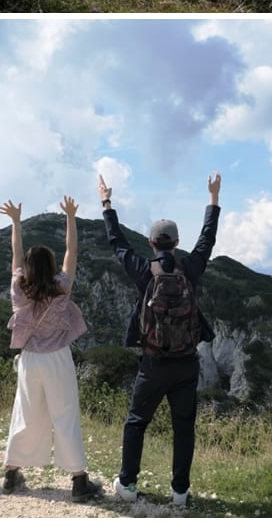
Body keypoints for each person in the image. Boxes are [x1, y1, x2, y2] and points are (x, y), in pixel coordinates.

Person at [100, 172, 222, 508]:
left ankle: (127, 484)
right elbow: (207, 240)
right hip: (186, 363)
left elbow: (117, 242)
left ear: (152, 244)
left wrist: (107, 203)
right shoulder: (191, 268)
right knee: (184, 427)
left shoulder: (143, 270)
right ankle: (180, 494)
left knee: (137, 422)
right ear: (177, 242)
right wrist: (213, 199)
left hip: (153, 364)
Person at [0, 196, 103, 502]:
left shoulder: (19, 287)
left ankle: (11, 473)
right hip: (57, 357)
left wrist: (16, 222)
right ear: (52, 266)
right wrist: (70, 217)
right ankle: (79, 481)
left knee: (26, 413)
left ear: (28, 268)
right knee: (65, 414)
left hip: (29, 359)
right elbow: (73, 251)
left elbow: (16, 253)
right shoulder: (62, 287)